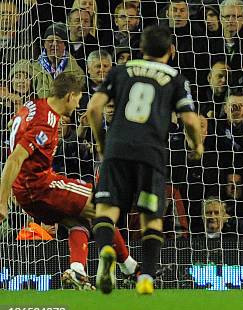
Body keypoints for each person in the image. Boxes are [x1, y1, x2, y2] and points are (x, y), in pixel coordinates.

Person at [85, 25, 203, 295]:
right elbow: (189, 120)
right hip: (151, 152)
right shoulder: (175, 77)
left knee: (107, 211)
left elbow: (93, 108)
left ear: (141, 49)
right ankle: (146, 276)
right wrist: (196, 145)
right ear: (171, 51)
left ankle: (105, 249)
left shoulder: (121, 70)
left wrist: (103, 142)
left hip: (117, 148)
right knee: (151, 218)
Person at [0, 73, 138, 291]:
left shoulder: (33, 105)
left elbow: (15, 123)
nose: (77, 106)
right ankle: (131, 270)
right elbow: (14, 159)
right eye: (77, 100)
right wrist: (2, 202)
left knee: (78, 221)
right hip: (39, 186)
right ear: (69, 96)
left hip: (27, 190)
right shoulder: (45, 123)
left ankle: (77, 271)